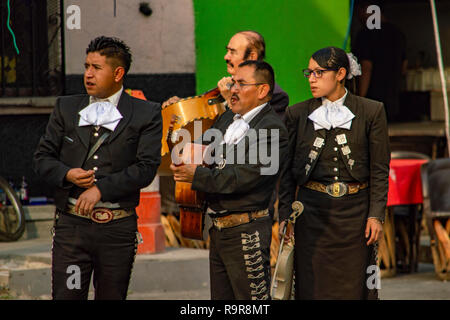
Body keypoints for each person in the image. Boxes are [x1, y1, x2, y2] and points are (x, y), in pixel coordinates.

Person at [33, 36, 162, 300]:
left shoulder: (145, 113)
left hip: (117, 229)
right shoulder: (66, 108)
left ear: (118, 73)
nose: (88, 74)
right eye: (86, 66)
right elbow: (42, 159)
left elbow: (146, 168)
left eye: (96, 68)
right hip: (72, 229)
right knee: (67, 295)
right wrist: (67, 174)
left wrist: (100, 189)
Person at [278, 46, 390, 299]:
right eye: (309, 73)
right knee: (310, 284)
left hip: (355, 215)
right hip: (311, 213)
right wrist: (284, 214)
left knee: (352, 286)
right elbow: (286, 173)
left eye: (319, 73)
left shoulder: (371, 111)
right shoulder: (296, 113)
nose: (311, 79)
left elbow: (380, 169)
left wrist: (376, 215)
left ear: (340, 74)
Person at [170, 60, 288, 300]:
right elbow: (200, 150)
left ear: (263, 90)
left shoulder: (272, 129)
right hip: (219, 229)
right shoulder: (227, 119)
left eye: (242, 84)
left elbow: (243, 178)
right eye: (233, 83)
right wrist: (176, 129)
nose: (233, 89)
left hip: (247, 231)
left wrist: (197, 175)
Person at [352, 1, 407, 122]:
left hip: (371, 105)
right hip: (393, 106)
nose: (357, 15)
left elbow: (366, 67)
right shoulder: (398, 33)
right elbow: (404, 68)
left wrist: (360, 99)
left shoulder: (366, 34)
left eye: (360, 10)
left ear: (370, 9)